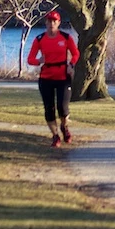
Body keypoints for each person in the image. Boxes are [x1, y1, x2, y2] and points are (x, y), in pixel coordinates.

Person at [27, 10, 80, 148]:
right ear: (46, 22)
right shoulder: (39, 39)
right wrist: (39, 61)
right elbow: (30, 59)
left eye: (54, 21)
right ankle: (55, 135)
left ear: (58, 23)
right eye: (49, 21)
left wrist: (71, 65)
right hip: (46, 77)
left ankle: (64, 127)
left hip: (63, 76)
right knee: (49, 109)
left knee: (62, 108)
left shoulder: (66, 37)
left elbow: (75, 53)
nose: (52, 23)